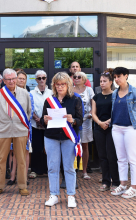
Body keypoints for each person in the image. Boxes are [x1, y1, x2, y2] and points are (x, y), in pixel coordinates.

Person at [40, 72, 83, 207]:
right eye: (57, 84)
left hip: (68, 138)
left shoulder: (75, 99)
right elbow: (42, 120)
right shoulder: (49, 100)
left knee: (69, 167)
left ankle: (71, 195)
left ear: (68, 84)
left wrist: (73, 120)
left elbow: (80, 120)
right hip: (51, 137)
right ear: (54, 86)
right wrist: (45, 120)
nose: (60, 87)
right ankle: (54, 195)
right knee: (52, 167)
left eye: (62, 84)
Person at [0, 68, 31, 196]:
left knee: (21, 160)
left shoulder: (24, 93)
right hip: (3, 130)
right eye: (8, 79)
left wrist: (19, 123)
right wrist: (3, 123)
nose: (11, 81)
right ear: (3, 80)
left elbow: (28, 112)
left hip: (20, 130)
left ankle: (22, 186)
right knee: (1, 159)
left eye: (13, 78)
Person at [92, 69, 120, 191]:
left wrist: (107, 122)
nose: (102, 83)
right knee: (102, 156)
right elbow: (93, 113)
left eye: (104, 81)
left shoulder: (115, 95)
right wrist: (100, 123)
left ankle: (116, 182)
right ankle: (105, 182)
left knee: (111, 156)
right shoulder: (96, 96)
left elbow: (116, 112)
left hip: (112, 128)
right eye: (100, 81)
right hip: (99, 128)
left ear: (110, 82)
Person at [110, 67, 136, 198]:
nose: (116, 79)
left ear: (126, 76)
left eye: (118, 76)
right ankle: (123, 184)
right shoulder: (114, 93)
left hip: (130, 128)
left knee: (132, 159)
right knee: (121, 159)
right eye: (114, 77)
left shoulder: (134, 92)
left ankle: (134, 187)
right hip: (116, 128)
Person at [7, 70, 34, 185]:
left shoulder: (29, 94)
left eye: (23, 78)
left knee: (25, 152)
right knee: (12, 152)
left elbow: (30, 111)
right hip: (11, 126)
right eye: (19, 78)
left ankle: (23, 177)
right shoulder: (8, 93)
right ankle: (12, 177)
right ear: (15, 79)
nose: (21, 80)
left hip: (25, 126)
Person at [29, 70, 52, 178]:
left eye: (43, 78)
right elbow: (30, 108)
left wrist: (45, 120)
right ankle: (35, 170)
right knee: (36, 148)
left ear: (46, 79)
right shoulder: (32, 94)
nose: (41, 80)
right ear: (36, 80)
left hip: (49, 125)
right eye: (39, 78)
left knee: (49, 148)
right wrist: (38, 119)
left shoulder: (51, 93)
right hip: (35, 124)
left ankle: (48, 169)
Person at [73, 71, 95, 179]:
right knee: (72, 145)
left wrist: (90, 114)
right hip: (74, 122)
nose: (77, 78)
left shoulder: (89, 90)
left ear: (84, 79)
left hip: (86, 122)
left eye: (79, 77)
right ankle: (73, 170)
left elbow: (94, 106)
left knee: (85, 146)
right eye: (75, 77)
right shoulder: (70, 89)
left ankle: (84, 171)